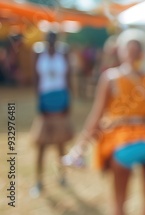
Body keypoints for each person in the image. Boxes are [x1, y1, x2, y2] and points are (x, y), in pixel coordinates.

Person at [63, 29, 145, 215]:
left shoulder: (111, 78)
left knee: (119, 200)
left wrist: (80, 147)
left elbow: (96, 115)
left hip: (123, 144)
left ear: (122, 51)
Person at [29, 31, 73, 197]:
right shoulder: (39, 53)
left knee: (60, 143)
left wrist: (68, 101)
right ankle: (39, 181)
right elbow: (36, 79)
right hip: (46, 102)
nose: (52, 41)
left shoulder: (63, 54)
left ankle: (62, 176)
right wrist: (40, 102)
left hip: (60, 100)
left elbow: (68, 78)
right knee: (42, 144)